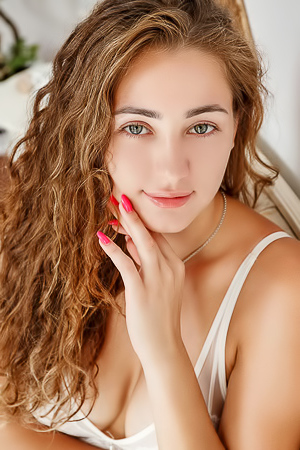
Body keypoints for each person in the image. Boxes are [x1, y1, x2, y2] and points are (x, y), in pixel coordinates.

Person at [0, 0, 300, 449]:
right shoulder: (43, 217)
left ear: (236, 125)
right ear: (90, 128)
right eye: (137, 127)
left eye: (201, 127)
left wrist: (163, 352)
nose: (172, 171)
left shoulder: (281, 288)